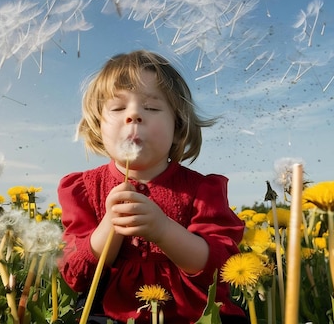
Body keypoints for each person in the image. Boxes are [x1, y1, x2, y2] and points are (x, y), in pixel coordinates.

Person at [58, 50, 248, 323]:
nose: (134, 115)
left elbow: (219, 270)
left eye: (152, 108)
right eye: (118, 108)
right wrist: (110, 225)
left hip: (193, 316)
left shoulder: (202, 191)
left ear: (178, 126)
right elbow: (77, 276)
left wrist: (163, 230)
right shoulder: (83, 190)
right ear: (98, 126)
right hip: (111, 315)